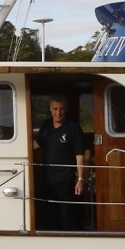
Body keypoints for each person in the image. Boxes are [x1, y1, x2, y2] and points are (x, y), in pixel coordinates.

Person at [33, 94, 86, 230]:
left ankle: (71, 239)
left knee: (67, 216)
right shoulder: (46, 125)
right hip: (47, 179)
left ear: (66, 109)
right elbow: (36, 144)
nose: (58, 112)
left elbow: (80, 155)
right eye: (55, 109)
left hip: (65, 179)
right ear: (50, 110)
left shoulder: (73, 128)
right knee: (50, 215)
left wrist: (80, 179)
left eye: (61, 109)